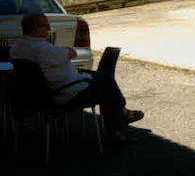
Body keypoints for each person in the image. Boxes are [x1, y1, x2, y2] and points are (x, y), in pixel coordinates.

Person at [9, 12, 144, 143]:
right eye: (45, 26)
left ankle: (121, 117)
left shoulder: (17, 47)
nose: (49, 28)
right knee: (107, 82)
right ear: (35, 29)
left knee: (102, 82)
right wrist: (66, 50)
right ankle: (119, 123)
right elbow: (72, 53)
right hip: (67, 93)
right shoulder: (43, 49)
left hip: (40, 94)